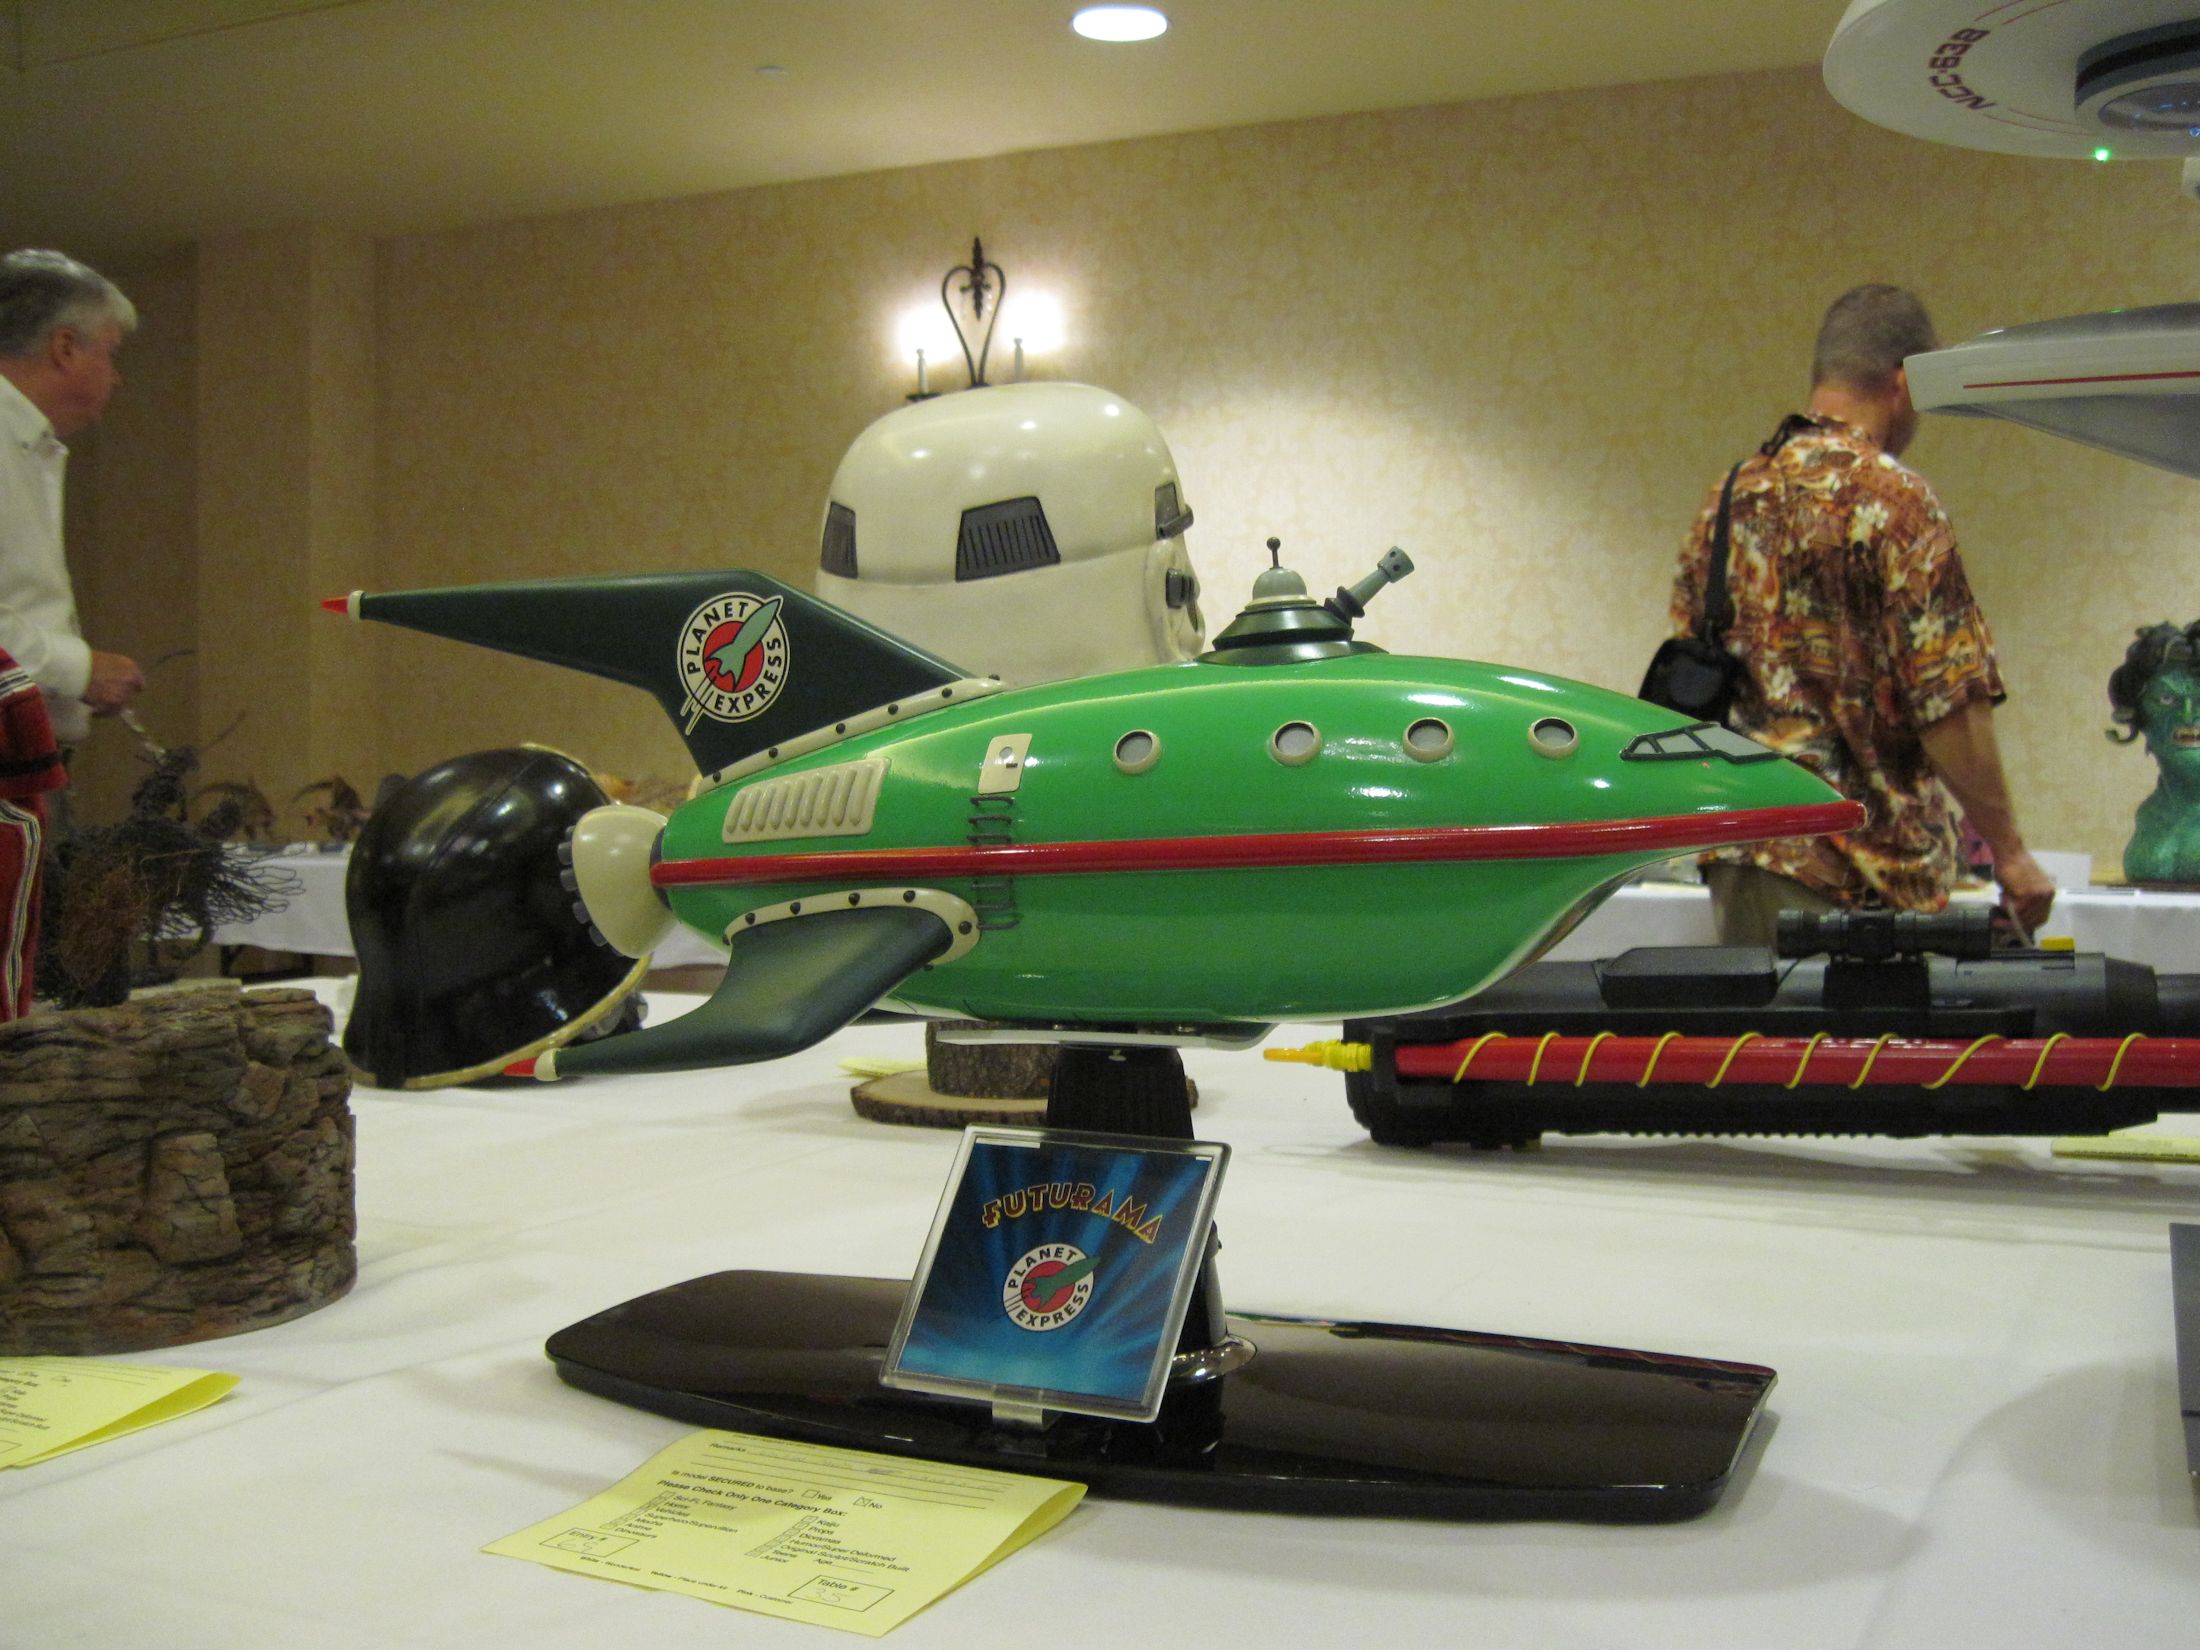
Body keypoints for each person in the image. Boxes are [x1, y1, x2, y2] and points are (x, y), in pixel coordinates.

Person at [1666, 284, 2055, 946]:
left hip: (1744, 852)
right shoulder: (1893, 500)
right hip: (1860, 868)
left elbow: (1691, 663)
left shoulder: (1729, 498)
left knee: (1759, 1019)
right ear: (1904, 383)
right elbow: (1947, 700)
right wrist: (2011, 854)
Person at [0, 249, 146, 753]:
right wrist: (79, 670)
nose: (116, 376)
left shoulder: (27, 445)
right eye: (110, 352)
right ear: (64, 347)